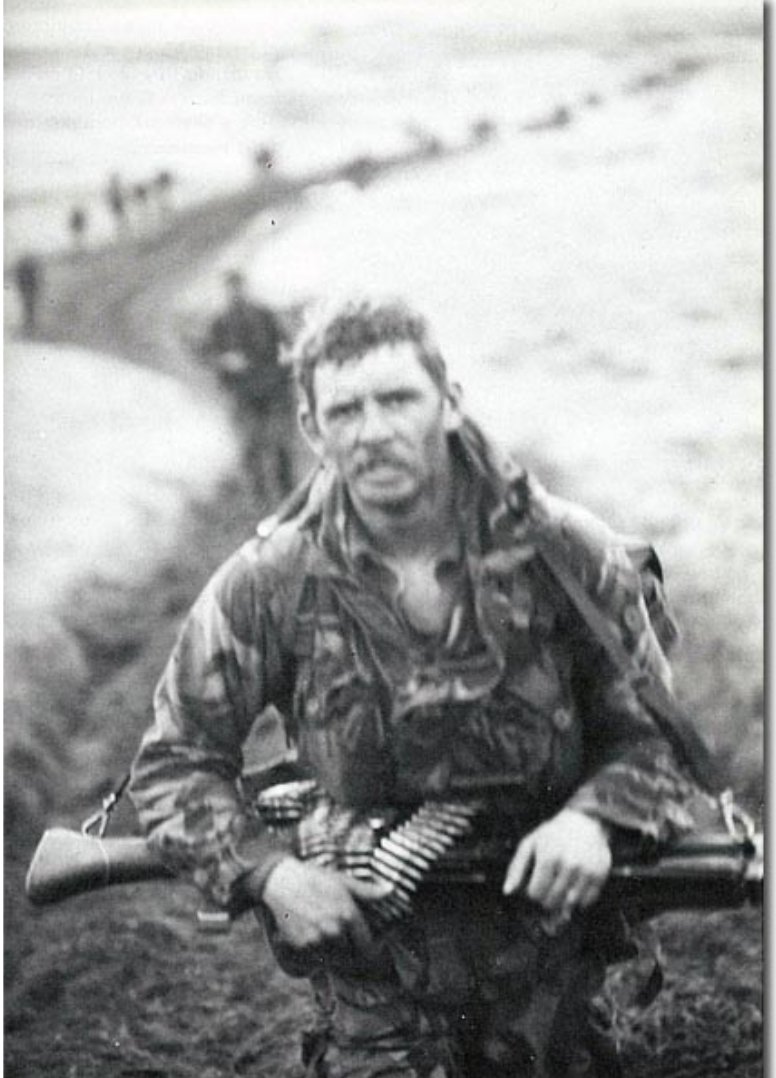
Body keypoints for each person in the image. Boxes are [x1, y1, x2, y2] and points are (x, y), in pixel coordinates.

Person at [129, 297, 708, 1077]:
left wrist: (593, 824)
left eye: (398, 399)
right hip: (374, 978)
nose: (373, 430)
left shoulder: (567, 555)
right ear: (312, 427)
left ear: (451, 401)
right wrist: (272, 876)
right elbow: (177, 762)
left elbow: (658, 738)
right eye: (345, 410)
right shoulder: (270, 581)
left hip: (553, 971)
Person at [202, 269, 294, 497]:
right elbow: (209, 354)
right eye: (232, 289)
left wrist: (285, 369)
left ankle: (287, 490)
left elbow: (286, 344)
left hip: (273, 388)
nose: (236, 293)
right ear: (226, 292)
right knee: (250, 445)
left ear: (245, 288)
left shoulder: (264, 315)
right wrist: (225, 361)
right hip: (242, 392)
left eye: (239, 288)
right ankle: (259, 495)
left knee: (279, 441)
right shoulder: (220, 323)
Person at [14, 254, 43, 335]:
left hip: (28, 292)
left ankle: (29, 326)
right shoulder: (29, 271)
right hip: (30, 292)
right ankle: (30, 326)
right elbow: (36, 281)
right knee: (30, 309)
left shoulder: (23, 271)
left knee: (28, 309)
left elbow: (21, 282)